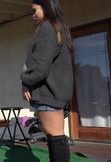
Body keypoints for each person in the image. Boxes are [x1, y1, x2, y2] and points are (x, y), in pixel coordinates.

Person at [20, 0, 74, 162]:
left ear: (46, 7)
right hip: (56, 92)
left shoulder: (47, 28)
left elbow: (40, 67)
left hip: (49, 92)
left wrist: (25, 81)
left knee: (55, 138)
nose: (32, 15)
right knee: (55, 138)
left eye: (34, 10)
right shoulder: (57, 26)